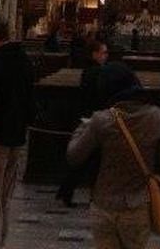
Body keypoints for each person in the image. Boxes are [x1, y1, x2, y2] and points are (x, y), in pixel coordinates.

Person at [67, 61, 160, 249]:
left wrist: (83, 126)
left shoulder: (101, 120)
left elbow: (74, 155)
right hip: (138, 205)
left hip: (104, 202)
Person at [0, 13, 36, 249]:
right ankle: (0, 241)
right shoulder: (25, 60)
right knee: (4, 197)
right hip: (17, 139)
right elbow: (31, 102)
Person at [57, 36, 108, 206]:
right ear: (94, 54)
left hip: (88, 117)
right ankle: (74, 191)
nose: (106, 56)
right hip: (93, 119)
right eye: (103, 53)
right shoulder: (96, 72)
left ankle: (66, 190)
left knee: (84, 158)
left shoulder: (90, 70)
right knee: (91, 159)